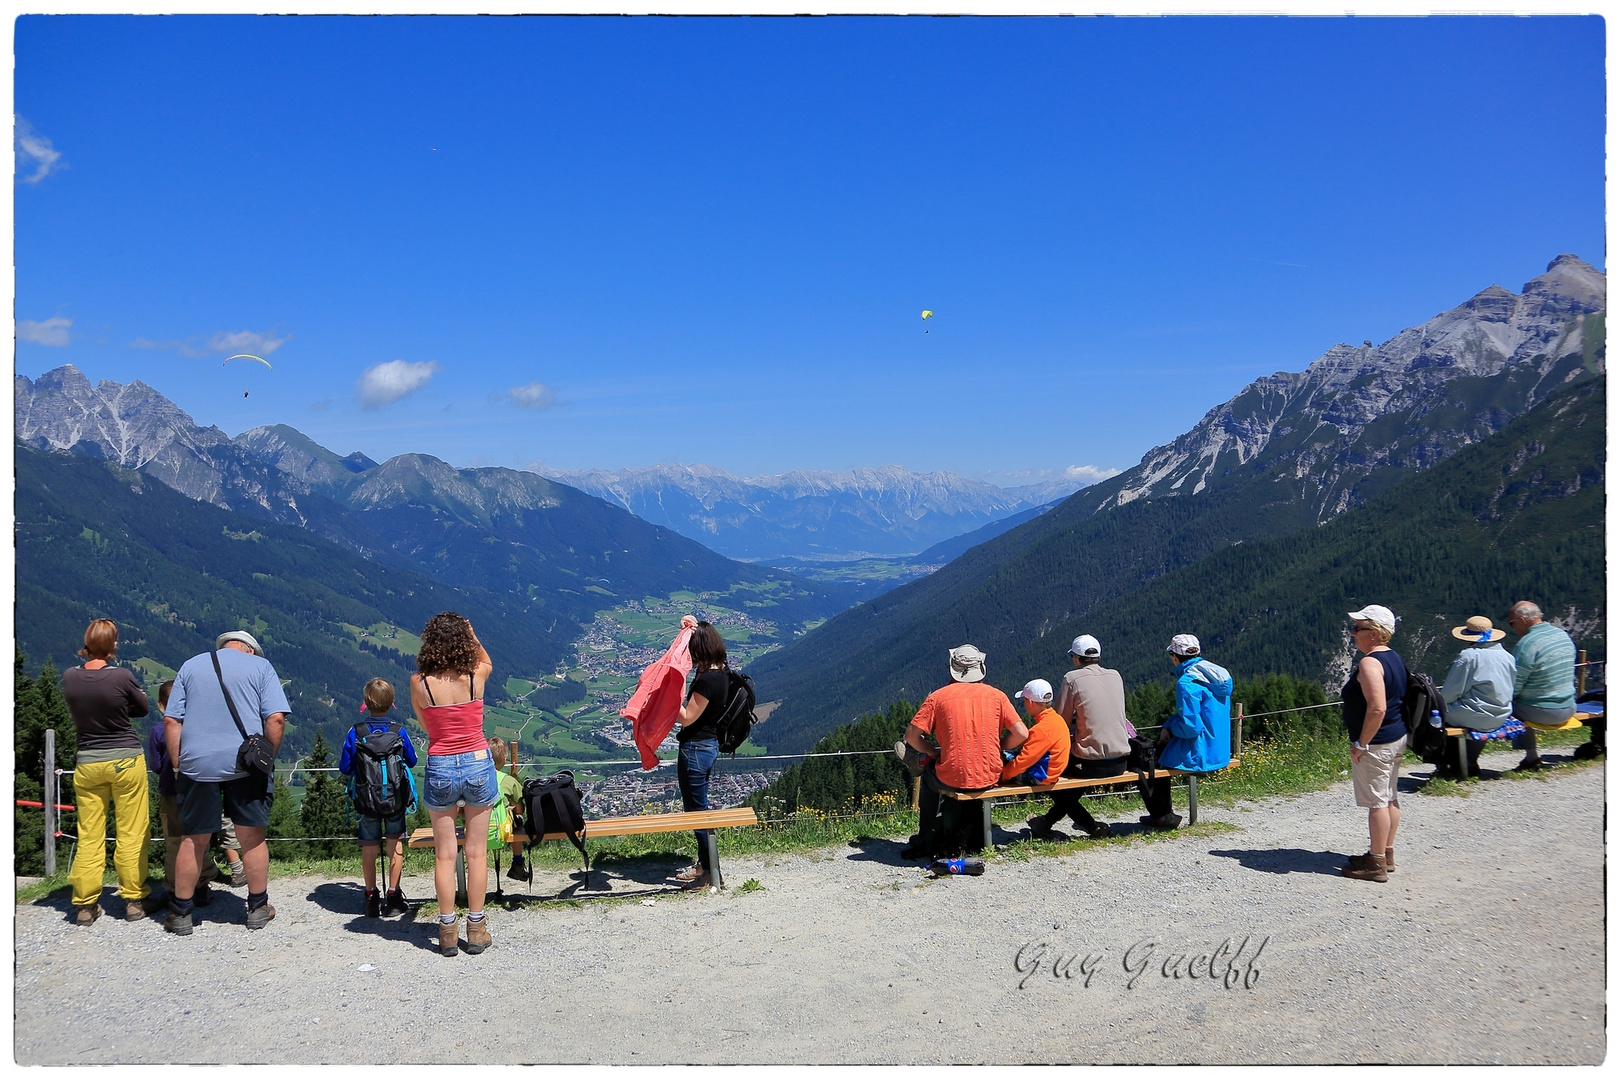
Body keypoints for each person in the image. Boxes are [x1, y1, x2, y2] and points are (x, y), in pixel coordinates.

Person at [163, 630, 289, 935]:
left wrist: (180, 765)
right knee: (252, 838)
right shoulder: (261, 667)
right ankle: (258, 908)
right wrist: (267, 757)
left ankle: (181, 913)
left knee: (194, 839)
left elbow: (171, 720)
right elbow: (276, 719)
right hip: (245, 766)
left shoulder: (190, 666)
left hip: (197, 765)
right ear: (249, 650)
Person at [411, 612, 497, 957]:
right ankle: (476, 929)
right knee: (476, 853)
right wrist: (473, 634)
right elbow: (486, 659)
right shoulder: (477, 675)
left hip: (441, 764)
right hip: (477, 760)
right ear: (464, 641)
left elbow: (428, 727)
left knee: (445, 854)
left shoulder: (420, 682)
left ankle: (447, 932)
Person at [61, 619, 157, 925]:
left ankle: (86, 905)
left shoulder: (70, 677)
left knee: (90, 834)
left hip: (87, 761)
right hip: (125, 759)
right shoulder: (121, 676)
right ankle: (133, 900)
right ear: (113, 646)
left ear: (87, 645)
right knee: (132, 830)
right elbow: (142, 707)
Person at [899, 645, 1029, 859]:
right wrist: (999, 746)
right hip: (989, 775)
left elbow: (911, 737)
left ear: (953, 669)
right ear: (980, 667)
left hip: (952, 775)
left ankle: (925, 836)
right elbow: (1021, 733)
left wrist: (932, 752)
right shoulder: (997, 696)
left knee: (929, 776)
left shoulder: (938, 697)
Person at [1030, 634, 1132, 840]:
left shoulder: (1072, 679)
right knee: (1074, 777)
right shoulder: (1116, 675)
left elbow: (1060, 722)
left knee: (1046, 773)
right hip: (1121, 760)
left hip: (1091, 763)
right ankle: (1047, 823)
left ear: (1076, 658)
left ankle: (1075, 824)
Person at [146, 681, 239, 905]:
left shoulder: (158, 732)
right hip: (200, 790)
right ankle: (201, 886)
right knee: (199, 840)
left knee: (175, 842)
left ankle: (173, 888)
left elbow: (156, 766)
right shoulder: (200, 729)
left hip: (170, 793)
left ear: (160, 706)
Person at [1340, 606, 1408, 883]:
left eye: (1359, 629)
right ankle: (1385, 852)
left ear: (1376, 633)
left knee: (1377, 803)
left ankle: (1375, 863)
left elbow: (1377, 708)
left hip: (1376, 743)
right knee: (1389, 796)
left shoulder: (1369, 663)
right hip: (1396, 737)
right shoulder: (1394, 657)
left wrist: (1361, 744)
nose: (1353, 634)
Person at [339, 678, 417, 918]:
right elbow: (411, 761)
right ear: (392, 702)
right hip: (394, 798)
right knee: (395, 845)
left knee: (369, 848)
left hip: (367, 799)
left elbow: (345, 767)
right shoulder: (399, 731)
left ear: (366, 702)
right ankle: (393, 896)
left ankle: (371, 895)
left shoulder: (356, 732)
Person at [1140, 634, 1233, 832]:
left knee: (1153, 761)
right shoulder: (1217, 676)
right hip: (1220, 749)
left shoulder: (1187, 683)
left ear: (1174, 656)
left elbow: (1191, 728)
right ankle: (1164, 815)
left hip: (1201, 752)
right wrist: (1170, 723)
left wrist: (1170, 729)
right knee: (1159, 757)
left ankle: (1163, 816)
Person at [671, 620, 731, 891]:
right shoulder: (723, 673)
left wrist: (670, 694)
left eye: (692, 652)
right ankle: (706, 867)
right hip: (708, 746)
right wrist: (689, 626)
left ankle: (708, 874)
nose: (690, 658)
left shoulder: (707, 680)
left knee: (697, 813)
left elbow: (686, 718)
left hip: (695, 749)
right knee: (700, 810)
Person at [1439, 616, 1517, 777]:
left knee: (1438, 714)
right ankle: (1471, 760)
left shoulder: (1469, 656)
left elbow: (1449, 693)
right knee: (1471, 715)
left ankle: (1453, 764)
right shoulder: (1508, 656)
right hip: (1501, 714)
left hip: (1474, 715)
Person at [1508, 601, 1579, 770]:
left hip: (1543, 712)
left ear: (1523, 620)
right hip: (1569, 706)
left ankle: (1531, 757)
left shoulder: (1527, 644)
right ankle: (1530, 759)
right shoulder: (1562, 635)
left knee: (1507, 705)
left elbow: (1514, 686)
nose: (1512, 628)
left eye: (1512, 623)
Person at [1003, 679, 1070, 785]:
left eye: (1025, 700)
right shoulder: (1057, 719)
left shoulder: (1042, 729)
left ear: (1030, 702)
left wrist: (1004, 775)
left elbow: (1024, 761)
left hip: (1041, 776)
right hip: (1052, 771)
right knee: (1007, 755)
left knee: (1001, 760)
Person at [487, 737, 528, 879]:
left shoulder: (474, 779)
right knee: (517, 821)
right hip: (501, 830)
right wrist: (508, 809)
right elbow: (520, 810)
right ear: (505, 759)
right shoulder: (509, 781)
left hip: (475, 829)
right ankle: (517, 862)